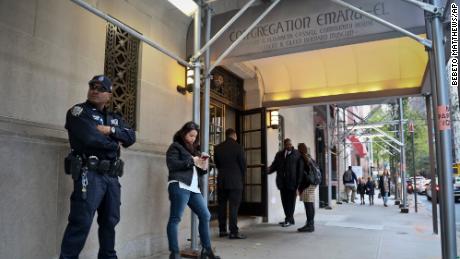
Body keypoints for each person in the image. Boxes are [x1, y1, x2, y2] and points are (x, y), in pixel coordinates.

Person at [60, 75, 136, 259]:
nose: (95, 90)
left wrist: (110, 131)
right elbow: (89, 138)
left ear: (109, 95)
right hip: (90, 174)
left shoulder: (114, 118)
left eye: (101, 88)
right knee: (81, 222)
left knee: (110, 221)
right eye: (92, 87)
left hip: (111, 176)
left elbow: (131, 137)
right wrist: (114, 143)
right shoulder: (79, 112)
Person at [166, 122, 220, 259]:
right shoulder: (175, 147)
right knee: (175, 218)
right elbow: (172, 165)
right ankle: (175, 253)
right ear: (183, 133)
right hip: (179, 185)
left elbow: (200, 173)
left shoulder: (194, 150)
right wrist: (192, 161)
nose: (193, 138)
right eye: (191, 135)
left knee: (205, 215)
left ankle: (206, 250)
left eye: (195, 136)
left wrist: (203, 165)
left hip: (194, 189)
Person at [214, 128, 247, 239]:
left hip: (222, 180)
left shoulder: (218, 148)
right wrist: (241, 177)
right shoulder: (239, 147)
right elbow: (243, 165)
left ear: (226, 135)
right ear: (234, 135)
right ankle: (233, 232)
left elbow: (217, 164)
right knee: (233, 207)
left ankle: (222, 230)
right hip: (235, 181)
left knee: (221, 206)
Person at [267, 138, 301, 227]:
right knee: (285, 202)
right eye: (287, 145)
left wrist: (299, 183)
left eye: (290, 144)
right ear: (284, 145)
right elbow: (274, 166)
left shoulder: (297, 154)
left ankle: (289, 219)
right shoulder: (279, 155)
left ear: (291, 144)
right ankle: (289, 219)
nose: (289, 146)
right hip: (282, 183)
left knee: (291, 202)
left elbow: (300, 169)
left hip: (293, 183)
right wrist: (267, 171)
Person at [296, 143, 317, 232]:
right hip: (312, 184)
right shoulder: (309, 157)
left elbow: (300, 174)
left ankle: (310, 225)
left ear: (299, 150)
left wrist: (298, 186)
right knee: (310, 205)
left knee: (308, 205)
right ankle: (310, 223)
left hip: (306, 185)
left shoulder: (302, 159)